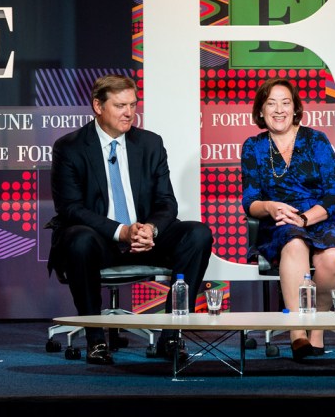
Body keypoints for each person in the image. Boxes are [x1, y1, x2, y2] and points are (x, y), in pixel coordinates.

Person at [50, 74, 214, 366]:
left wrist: (149, 229)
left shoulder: (149, 143)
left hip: (144, 237)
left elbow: (167, 203)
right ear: (98, 107)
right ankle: (96, 339)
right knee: (78, 238)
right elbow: (71, 208)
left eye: (133, 105)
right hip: (100, 239)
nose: (129, 112)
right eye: (120, 105)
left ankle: (171, 335)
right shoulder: (71, 147)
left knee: (198, 234)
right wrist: (121, 231)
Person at [241, 77, 335, 361]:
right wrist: (270, 207)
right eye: (271, 103)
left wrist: (305, 219)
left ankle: (317, 329)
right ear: (260, 111)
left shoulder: (316, 139)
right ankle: (297, 333)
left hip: (323, 216)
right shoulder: (253, 147)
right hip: (280, 220)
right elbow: (251, 202)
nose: (279, 110)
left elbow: (333, 196)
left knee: (332, 258)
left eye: (286, 103)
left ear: (296, 109)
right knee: (294, 243)